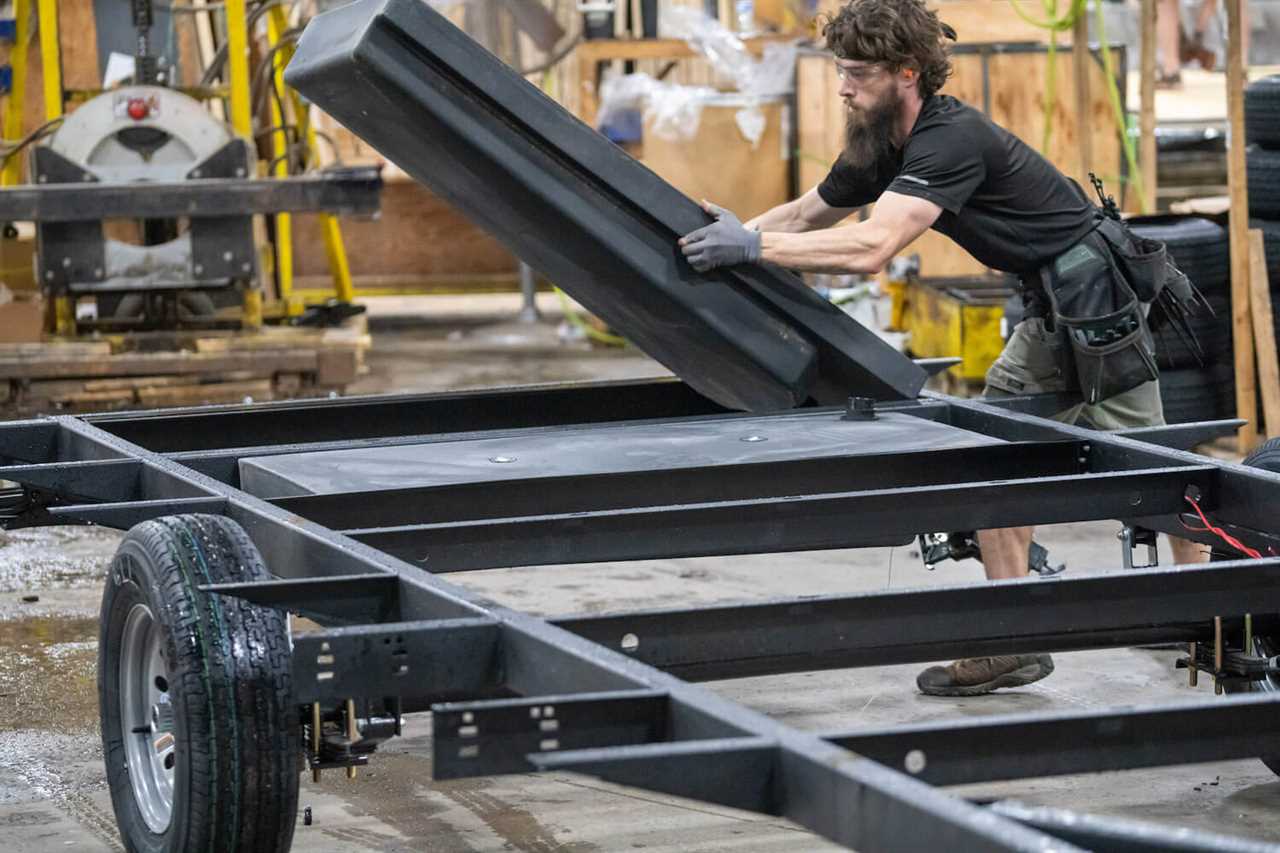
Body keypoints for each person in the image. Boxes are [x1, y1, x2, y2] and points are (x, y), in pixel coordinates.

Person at [678, 0, 1208, 697]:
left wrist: (752, 248)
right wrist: (726, 239)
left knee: (1155, 466)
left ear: (907, 72)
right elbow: (811, 213)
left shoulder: (947, 138)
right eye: (840, 71)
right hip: (1055, 305)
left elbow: (874, 245)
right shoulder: (879, 139)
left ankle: (1215, 608)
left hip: (1092, 298)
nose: (844, 87)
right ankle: (1016, 636)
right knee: (1010, 460)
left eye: (859, 73)